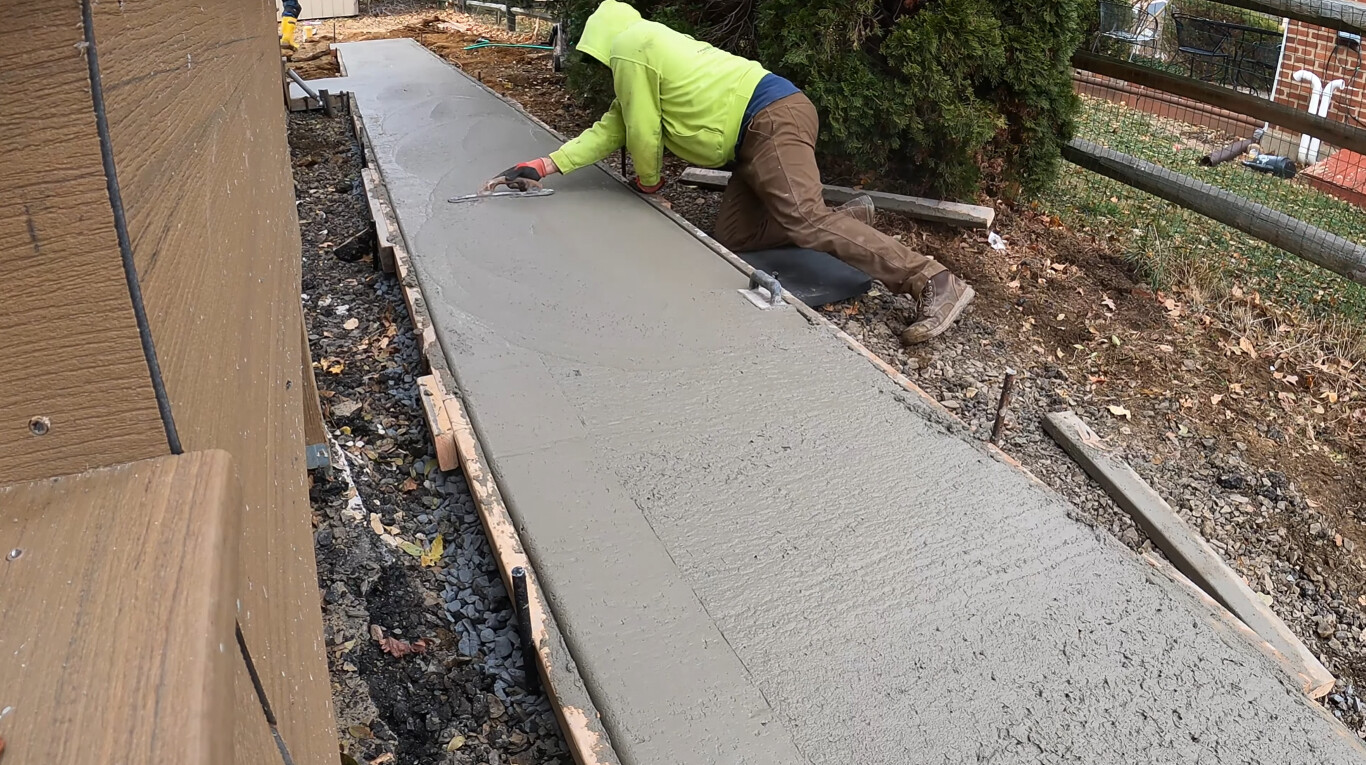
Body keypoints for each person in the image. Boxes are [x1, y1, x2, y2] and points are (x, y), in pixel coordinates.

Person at [494, 0, 974, 344]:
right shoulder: (641, 50)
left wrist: (651, 186)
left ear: (600, 43)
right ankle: (846, 221)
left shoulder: (629, 47)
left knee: (803, 219)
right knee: (735, 237)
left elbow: (643, 134)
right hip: (754, 133)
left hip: (770, 116)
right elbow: (614, 128)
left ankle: (931, 280)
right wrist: (543, 166)